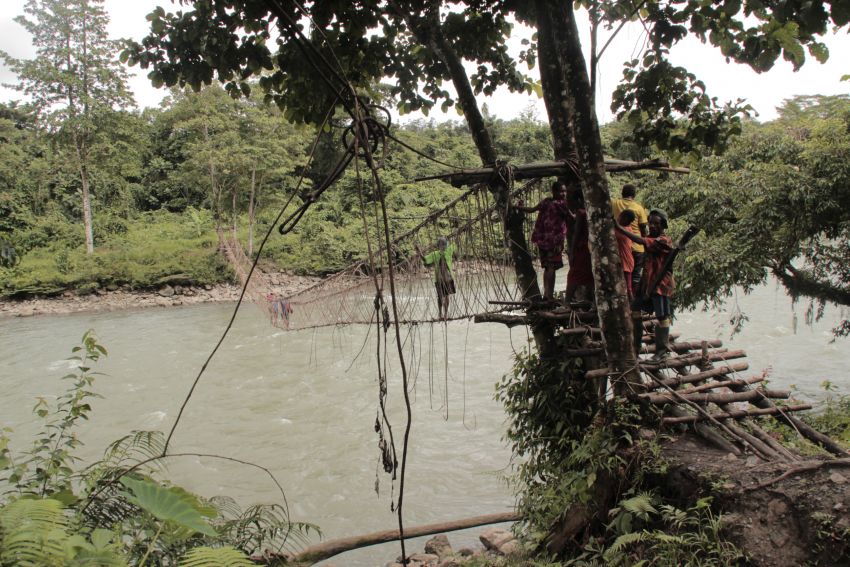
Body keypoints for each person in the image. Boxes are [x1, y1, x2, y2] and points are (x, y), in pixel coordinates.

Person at [616, 208, 675, 362]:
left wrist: (620, 228)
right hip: (647, 283)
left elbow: (642, 241)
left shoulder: (664, 240)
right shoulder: (651, 237)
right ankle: (635, 346)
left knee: (662, 316)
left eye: (656, 223)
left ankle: (662, 351)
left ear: (662, 225)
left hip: (661, 283)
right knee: (635, 309)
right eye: (651, 223)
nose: (652, 226)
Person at [516, 181, 570, 301]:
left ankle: (547, 294)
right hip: (554, 242)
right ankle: (549, 296)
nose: (564, 194)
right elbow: (572, 217)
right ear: (554, 191)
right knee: (551, 267)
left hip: (542, 240)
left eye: (565, 191)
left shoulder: (546, 201)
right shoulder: (563, 204)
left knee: (547, 267)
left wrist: (518, 207)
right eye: (561, 191)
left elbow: (531, 210)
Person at [611, 184, 649, 293]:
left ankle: (623, 297)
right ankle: (633, 302)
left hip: (620, 246)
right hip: (637, 246)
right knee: (635, 276)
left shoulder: (614, 203)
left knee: (620, 276)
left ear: (622, 193)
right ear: (634, 195)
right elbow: (643, 229)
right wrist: (646, 245)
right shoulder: (639, 208)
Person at [564, 187, 593, 304]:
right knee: (591, 276)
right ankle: (594, 303)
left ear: (579, 199)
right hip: (591, 249)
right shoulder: (591, 211)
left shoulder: (581, 213)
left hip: (582, 249)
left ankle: (567, 303)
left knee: (573, 276)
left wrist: (571, 252)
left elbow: (576, 234)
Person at [416, 237, 456, 321]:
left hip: (448, 278)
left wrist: (457, 230)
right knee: (440, 297)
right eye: (441, 245)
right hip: (439, 279)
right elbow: (425, 259)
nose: (443, 246)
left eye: (444, 244)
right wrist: (419, 252)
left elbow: (455, 241)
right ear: (438, 246)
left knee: (447, 296)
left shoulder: (448, 251)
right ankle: (440, 313)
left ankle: (445, 314)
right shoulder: (435, 254)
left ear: (446, 245)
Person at [615, 209, 637, 298]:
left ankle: (633, 307)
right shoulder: (621, 227)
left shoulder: (626, 229)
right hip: (622, 259)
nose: (627, 223)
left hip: (626, 260)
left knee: (628, 287)